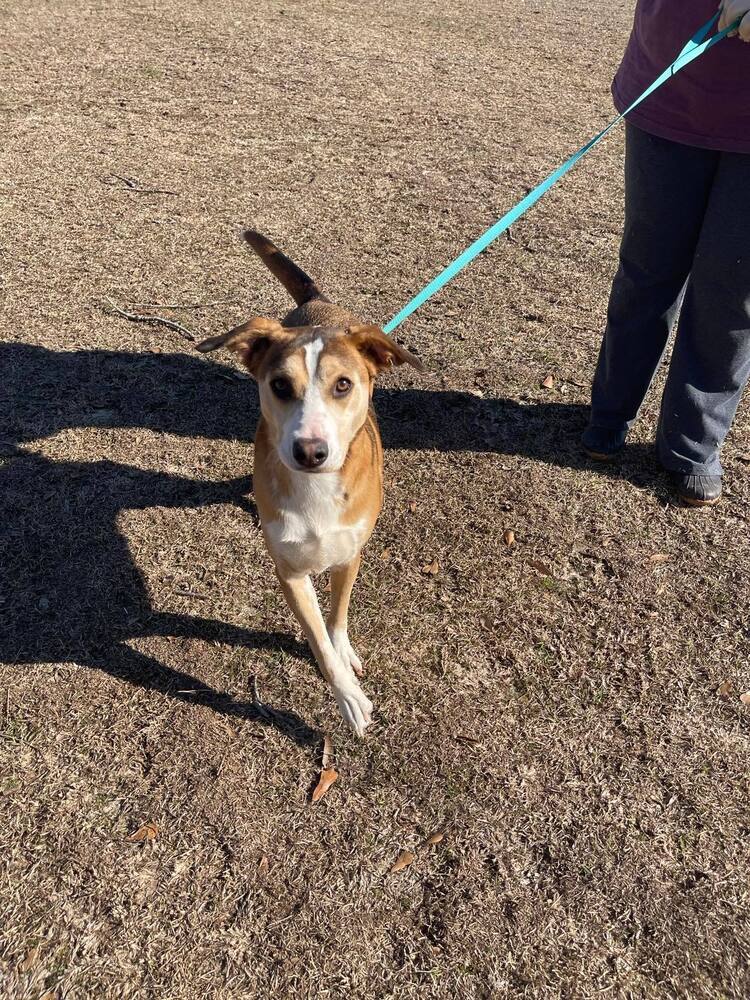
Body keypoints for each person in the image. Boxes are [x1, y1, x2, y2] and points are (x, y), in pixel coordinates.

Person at [582, 0, 750, 506]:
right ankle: (610, 411)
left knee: (733, 290)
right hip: (672, 82)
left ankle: (692, 444)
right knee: (647, 268)